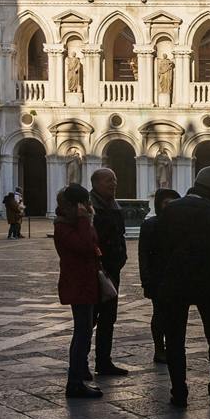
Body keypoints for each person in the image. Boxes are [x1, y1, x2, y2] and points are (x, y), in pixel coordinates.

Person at [153, 166, 210, 408]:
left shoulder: (171, 210)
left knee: (174, 339)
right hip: (208, 281)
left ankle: (179, 391)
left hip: (175, 282)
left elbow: (159, 244)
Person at [52, 185, 102, 399]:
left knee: (85, 330)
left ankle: (80, 372)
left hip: (87, 282)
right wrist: (84, 220)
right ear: (73, 206)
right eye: (84, 203)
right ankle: (74, 382)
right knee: (81, 332)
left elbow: (93, 242)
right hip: (77, 284)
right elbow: (84, 246)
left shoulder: (76, 223)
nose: (88, 207)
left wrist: (86, 221)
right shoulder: (63, 227)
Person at [87, 168, 129, 377]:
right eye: (108, 180)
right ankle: (81, 363)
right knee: (90, 318)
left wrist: (121, 258)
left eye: (114, 179)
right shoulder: (89, 208)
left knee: (108, 318)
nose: (113, 183)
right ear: (95, 183)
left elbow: (119, 235)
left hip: (112, 270)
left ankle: (104, 361)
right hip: (96, 272)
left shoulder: (113, 205)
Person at [139, 189, 178, 363]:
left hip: (177, 278)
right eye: (166, 203)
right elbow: (143, 254)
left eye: (173, 203)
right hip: (157, 277)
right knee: (159, 314)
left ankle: (173, 345)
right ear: (159, 205)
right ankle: (159, 348)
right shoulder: (150, 224)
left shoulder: (180, 225)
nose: (169, 207)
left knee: (175, 315)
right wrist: (145, 279)